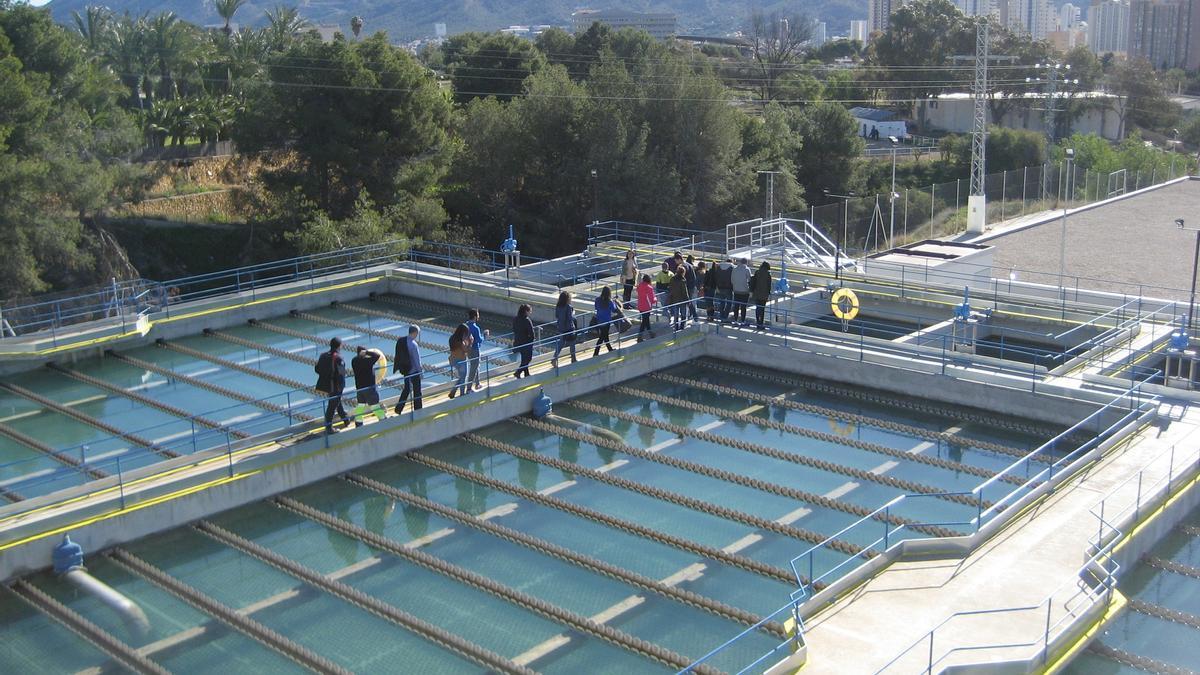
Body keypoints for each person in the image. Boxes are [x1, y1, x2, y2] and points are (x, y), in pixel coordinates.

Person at [315, 337, 351, 434]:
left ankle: (345, 419)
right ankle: (329, 428)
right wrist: (341, 386)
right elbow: (341, 374)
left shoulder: (323, 355)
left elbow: (317, 369)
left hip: (326, 385)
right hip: (336, 386)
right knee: (332, 406)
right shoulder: (338, 357)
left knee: (336, 402)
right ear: (339, 346)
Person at [350, 346, 387, 426]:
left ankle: (358, 422)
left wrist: (365, 353)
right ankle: (382, 418)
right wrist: (367, 352)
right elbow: (377, 356)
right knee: (374, 405)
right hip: (369, 387)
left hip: (359, 388)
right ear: (363, 352)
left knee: (360, 405)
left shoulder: (354, 361)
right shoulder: (367, 361)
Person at [393, 326, 423, 414]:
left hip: (406, 370)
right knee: (417, 391)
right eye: (417, 333)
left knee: (406, 390)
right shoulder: (413, 344)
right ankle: (418, 409)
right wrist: (421, 372)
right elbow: (417, 360)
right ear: (415, 333)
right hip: (414, 372)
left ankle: (398, 409)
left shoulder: (403, 341)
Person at [465, 309, 489, 392]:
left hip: (468, 350)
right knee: (473, 369)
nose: (478, 317)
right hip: (475, 349)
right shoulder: (475, 328)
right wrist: (485, 335)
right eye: (478, 315)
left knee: (476, 366)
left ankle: (477, 384)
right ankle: (468, 388)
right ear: (475, 316)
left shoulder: (466, 325)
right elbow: (479, 340)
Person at [552, 291, 578, 367]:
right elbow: (570, 319)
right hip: (569, 328)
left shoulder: (558, 306)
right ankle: (573, 359)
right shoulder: (568, 307)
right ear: (568, 299)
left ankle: (554, 359)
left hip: (561, 328)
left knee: (561, 344)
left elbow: (557, 316)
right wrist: (573, 314)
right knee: (572, 343)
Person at [447, 324, 473, 398]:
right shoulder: (460, 342)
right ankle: (461, 394)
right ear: (463, 333)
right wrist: (470, 342)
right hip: (461, 361)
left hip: (453, 361)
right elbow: (466, 351)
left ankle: (453, 392)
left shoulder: (452, 338)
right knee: (463, 378)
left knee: (461, 377)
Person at [593, 286, 618, 356]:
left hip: (599, 320)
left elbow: (596, 307)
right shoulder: (609, 301)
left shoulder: (597, 299)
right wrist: (614, 301)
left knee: (605, 336)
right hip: (607, 321)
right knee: (602, 337)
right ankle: (596, 353)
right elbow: (614, 309)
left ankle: (609, 349)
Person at [512, 304, 534, 378]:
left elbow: (514, 329)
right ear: (525, 311)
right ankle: (518, 372)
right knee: (528, 358)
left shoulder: (515, 319)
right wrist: (531, 341)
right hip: (526, 342)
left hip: (518, 341)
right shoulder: (527, 320)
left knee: (524, 359)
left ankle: (526, 373)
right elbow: (531, 333)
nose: (530, 313)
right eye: (529, 311)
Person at [751, 261, 773, 331]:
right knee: (762, 309)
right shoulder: (768, 274)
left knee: (757, 308)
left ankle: (758, 323)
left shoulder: (757, 272)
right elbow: (769, 286)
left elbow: (753, 282)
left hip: (757, 293)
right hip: (764, 294)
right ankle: (761, 324)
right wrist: (769, 292)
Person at [636, 273, 658, 342]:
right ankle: (639, 337)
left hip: (640, 306)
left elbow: (637, 291)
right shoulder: (649, 288)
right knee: (644, 322)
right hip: (647, 307)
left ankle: (651, 333)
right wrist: (656, 299)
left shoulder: (640, 286)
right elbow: (652, 300)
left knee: (646, 320)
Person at [668, 266, 689, 332]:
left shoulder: (672, 279)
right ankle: (682, 327)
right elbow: (685, 292)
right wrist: (688, 300)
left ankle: (676, 327)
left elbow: (670, 289)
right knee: (683, 314)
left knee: (676, 314)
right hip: (682, 300)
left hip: (674, 299)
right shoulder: (683, 280)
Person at [731, 258, 752, 325]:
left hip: (736, 290)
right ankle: (742, 321)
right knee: (743, 307)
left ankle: (735, 320)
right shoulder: (747, 269)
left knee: (736, 306)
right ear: (746, 262)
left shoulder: (734, 269)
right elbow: (749, 280)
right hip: (744, 291)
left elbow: (732, 280)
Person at [715, 258, 734, 322]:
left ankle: (721, 316)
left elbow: (716, 277)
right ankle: (725, 317)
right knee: (729, 303)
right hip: (729, 288)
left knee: (721, 303)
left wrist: (717, 286)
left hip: (720, 287)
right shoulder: (732, 267)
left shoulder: (719, 267)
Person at [683, 254, 700, 321]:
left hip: (689, 287)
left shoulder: (686, 265)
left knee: (689, 302)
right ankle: (693, 316)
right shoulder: (690, 266)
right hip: (691, 287)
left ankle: (691, 315)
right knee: (691, 302)